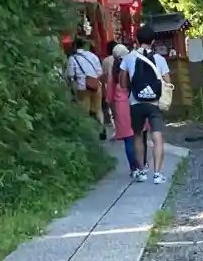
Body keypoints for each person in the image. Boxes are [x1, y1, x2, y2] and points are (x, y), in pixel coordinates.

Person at [122, 40, 169, 183]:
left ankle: (142, 172)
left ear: (136, 41)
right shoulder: (159, 59)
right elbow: (168, 81)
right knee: (157, 136)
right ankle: (157, 174)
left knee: (137, 135)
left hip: (136, 103)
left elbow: (123, 83)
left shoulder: (128, 58)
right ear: (153, 41)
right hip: (155, 103)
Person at [106, 45, 140, 176]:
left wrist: (110, 102)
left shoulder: (115, 70)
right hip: (136, 102)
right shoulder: (133, 64)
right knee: (139, 135)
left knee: (128, 138)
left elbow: (110, 91)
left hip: (121, 105)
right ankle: (142, 164)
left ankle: (134, 168)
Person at [68, 39, 105, 130]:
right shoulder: (93, 56)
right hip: (96, 85)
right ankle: (102, 129)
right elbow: (100, 72)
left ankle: (89, 131)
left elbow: (71, 75)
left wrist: (73, 91)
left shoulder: (72, 58)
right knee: (99, 109)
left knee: (85, 112)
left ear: (74, 47)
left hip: (83, 87)